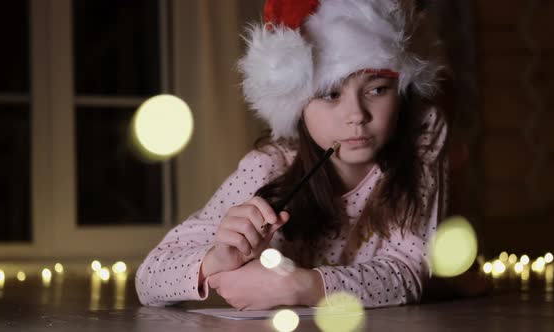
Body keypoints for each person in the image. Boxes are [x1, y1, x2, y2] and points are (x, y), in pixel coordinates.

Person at [135, 0, 448, 310]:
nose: (356, 115)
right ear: (298, 106)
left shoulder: (423, 136)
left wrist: (301, 286)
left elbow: (407, 272)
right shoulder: (269, 167)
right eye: (330, 93)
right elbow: (148, 279)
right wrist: (216, 259)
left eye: (378, 89)